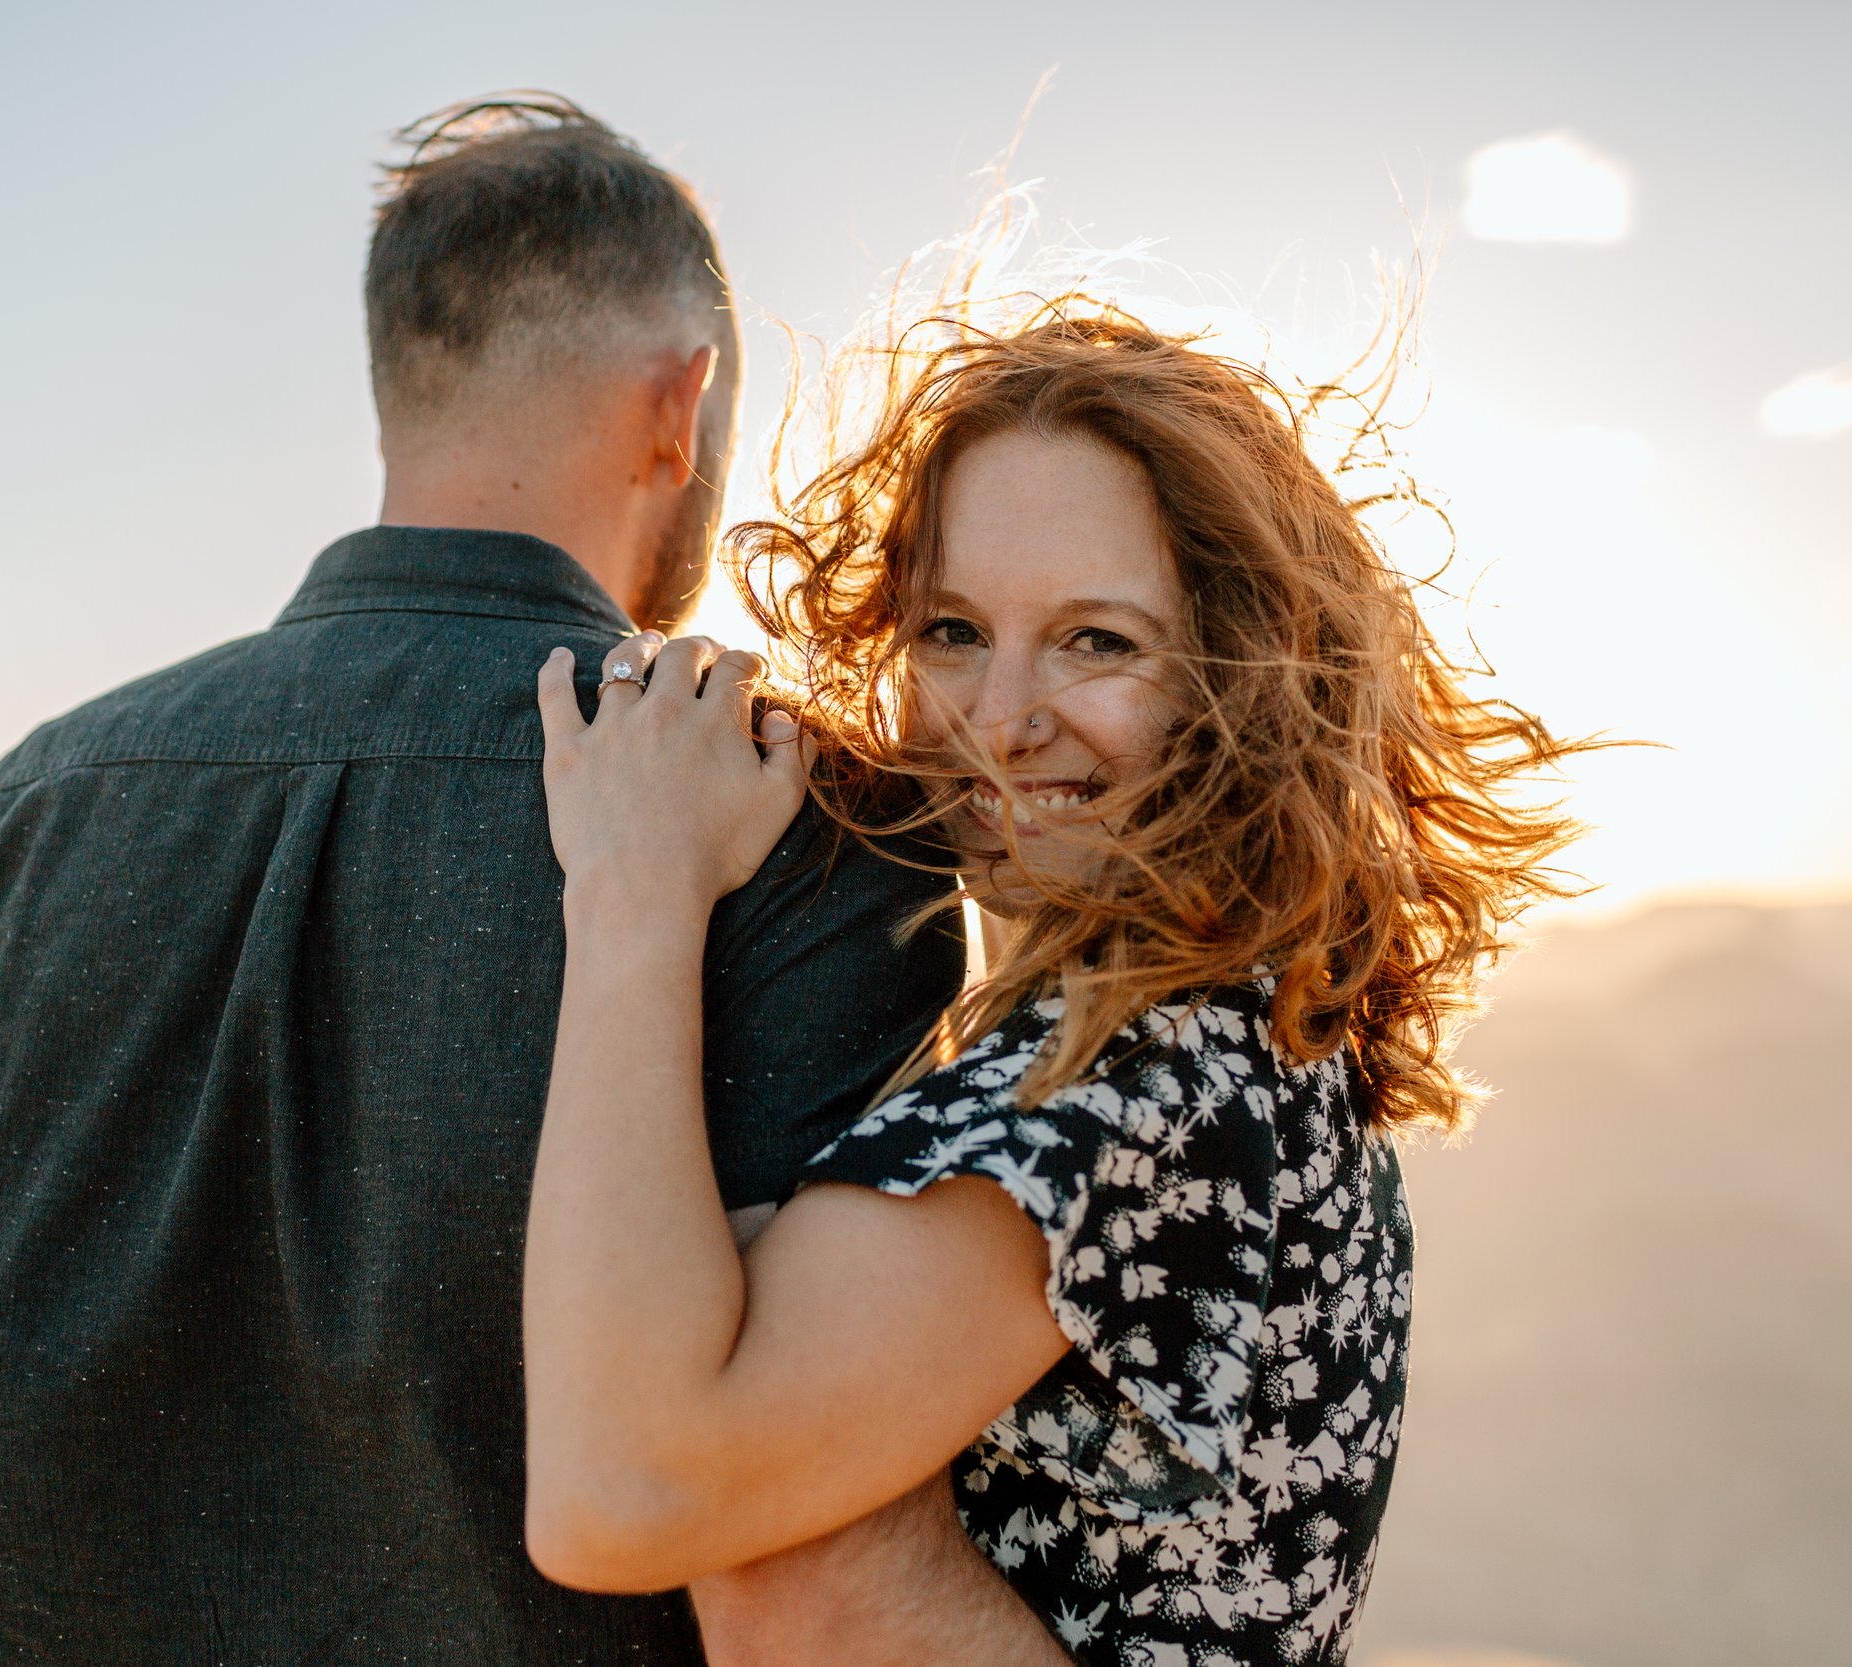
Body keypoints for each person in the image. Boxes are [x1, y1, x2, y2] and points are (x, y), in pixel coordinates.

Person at [0, 96, 1067, 1664]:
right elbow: (799, 1599)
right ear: (683, 410)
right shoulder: (796, 829)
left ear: (403, 386)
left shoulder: (11, 823)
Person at [521, 307, 1585, 1660]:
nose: (1001, 718)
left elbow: (624, 1497)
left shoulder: (1136, 1090)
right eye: (954, 629)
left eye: (1097, 642)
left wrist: (635, 889)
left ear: (1245, 683)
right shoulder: (1250, 1031)